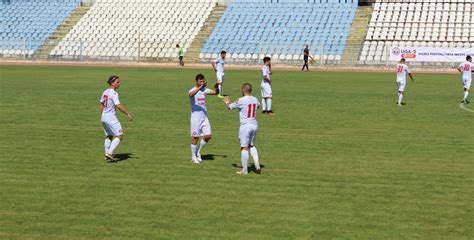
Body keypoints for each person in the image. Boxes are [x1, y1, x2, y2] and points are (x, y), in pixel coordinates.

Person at [224, 83, 261, 175]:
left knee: (244, 148)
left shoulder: (240, 100)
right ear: (250, 90)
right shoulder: (255, 99)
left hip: (245, 126)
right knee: (252, 145)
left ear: (243, 90)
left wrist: (227, 102)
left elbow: (229, 107)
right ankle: (257, 165)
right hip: (254, 125)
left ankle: (244, 170)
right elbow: (258, 106)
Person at [100, 75, 133, 161]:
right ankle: (109, 153)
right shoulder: (114, 93)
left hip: (103, 117)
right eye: (117, 82)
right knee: (120, 135)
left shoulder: (105, 92)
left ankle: (106, 154)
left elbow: (101, 104)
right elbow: (118, 106)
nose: (119, 83)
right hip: (111, 117)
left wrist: (103, 115)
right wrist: (127, 113)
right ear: (112, 83)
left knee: (109, 136)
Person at [189, 74, 219, 164]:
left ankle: (198, 151)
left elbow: (215, 92)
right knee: (195, 137)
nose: (202, 83)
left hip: (204, 116)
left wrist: (217, 87)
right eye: (200, 81)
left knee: (208, 136)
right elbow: (191, 94)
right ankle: (193, 156)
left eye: (203, 81)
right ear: (196, 81)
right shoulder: (192, 90)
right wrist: (200, 87)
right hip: (195, 117)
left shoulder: (205, 90)